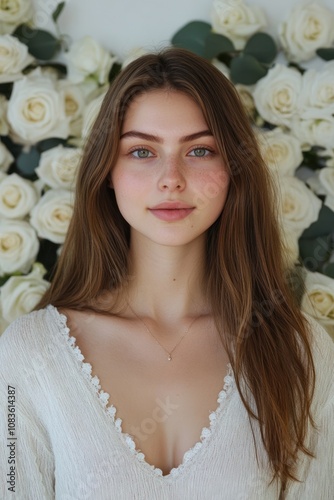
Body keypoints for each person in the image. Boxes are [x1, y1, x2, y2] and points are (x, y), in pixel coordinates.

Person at [0, 48, 333, 500]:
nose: (171, 178)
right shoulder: (29, 354)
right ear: (108, 171)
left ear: (233, 169)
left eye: (199, 150)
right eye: (142, 150)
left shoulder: (301, 351)